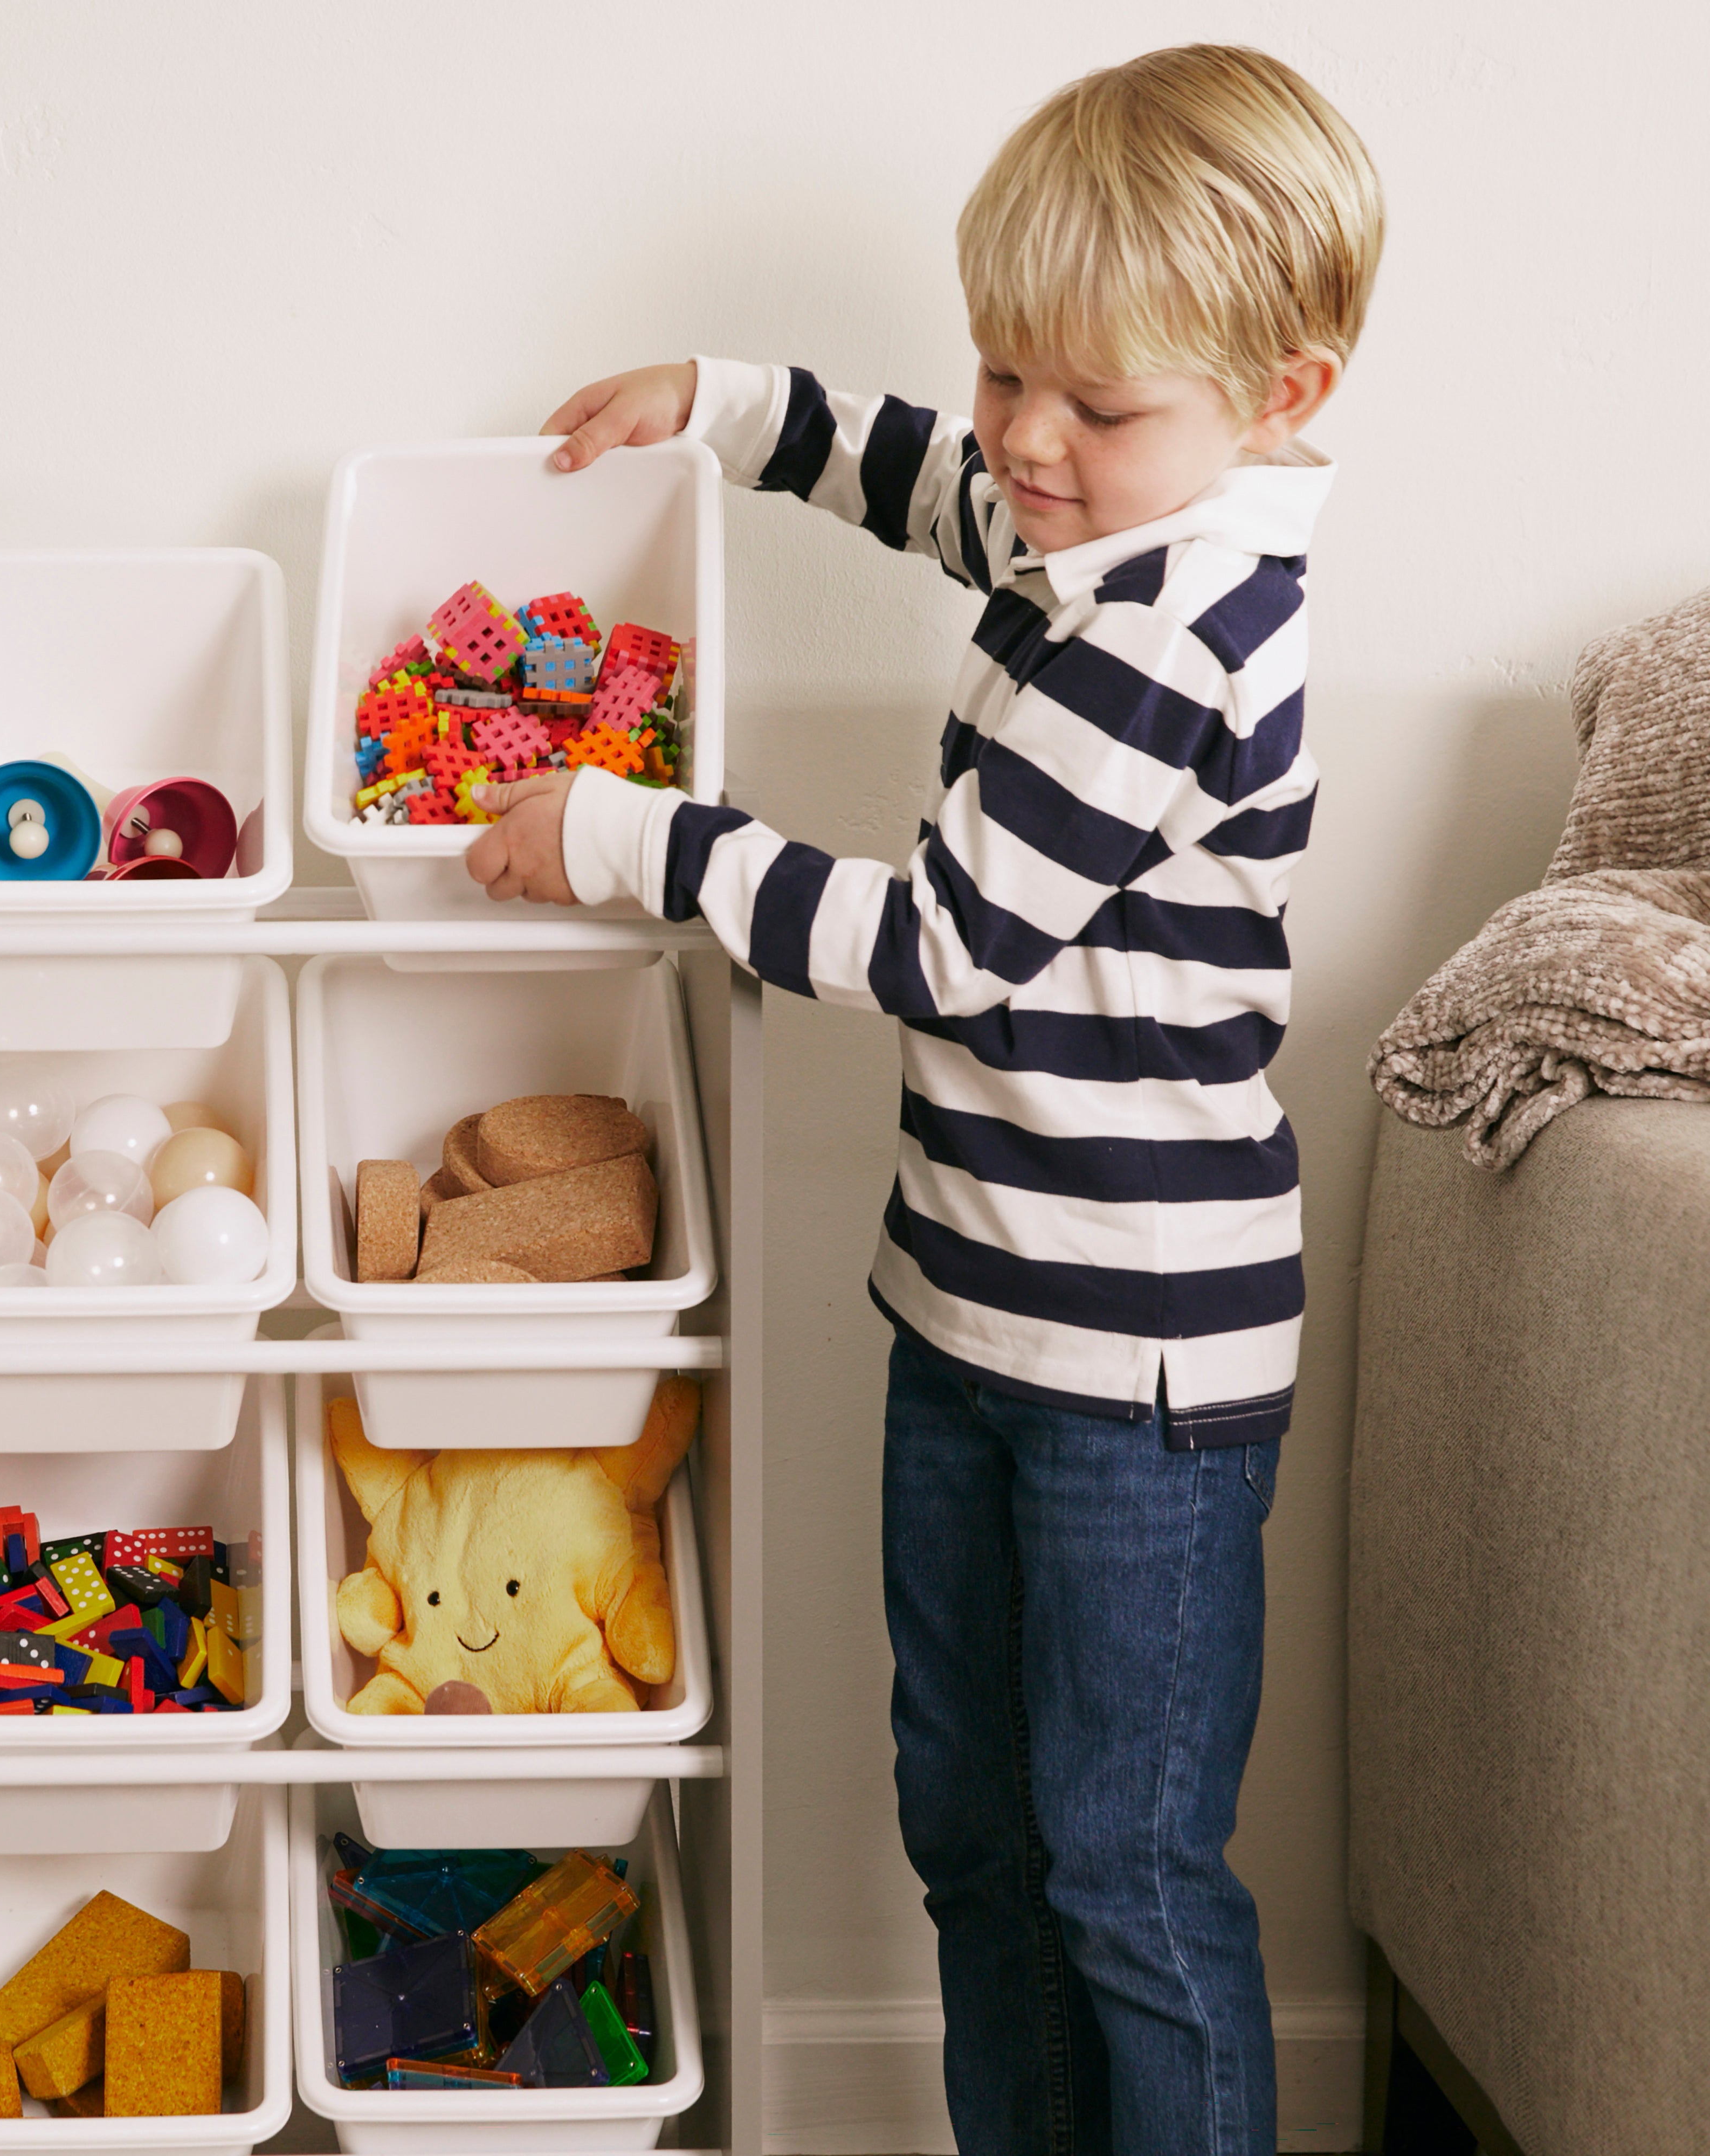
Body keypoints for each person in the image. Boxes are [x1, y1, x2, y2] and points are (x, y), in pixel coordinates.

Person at [465, 42, 1385, 2156]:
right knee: (968, 1829)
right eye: (1004, 372)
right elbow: (931, 483)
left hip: (1133, 1371)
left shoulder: (1175, 632)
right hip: (969, 1312)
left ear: (1282, 393)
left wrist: (630, 841)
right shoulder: (1096, 527)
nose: (1026, 445)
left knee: (1123, 1878)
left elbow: (940, 947)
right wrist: (719, 403)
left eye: (1092, 402)